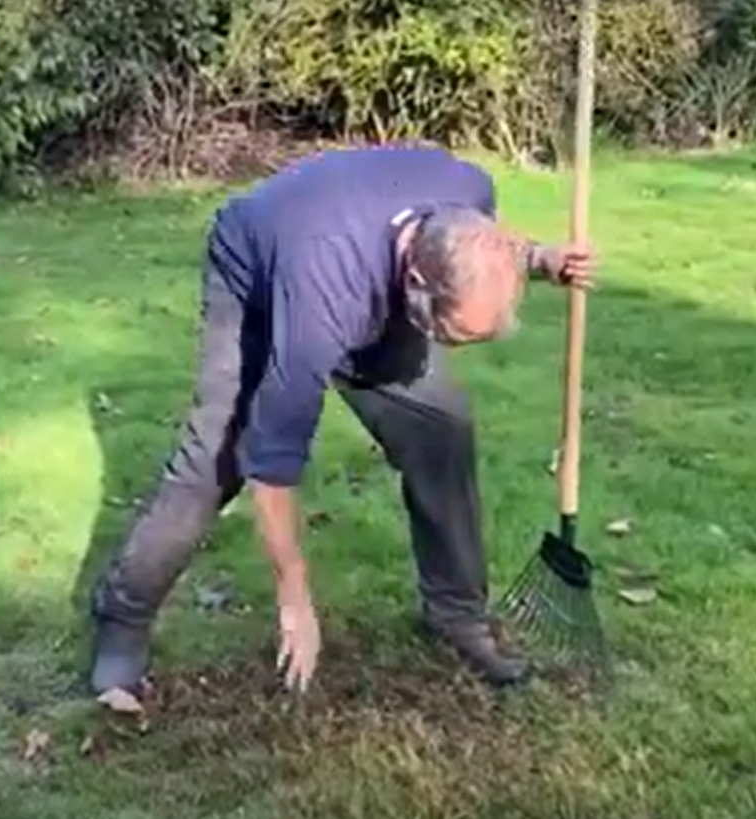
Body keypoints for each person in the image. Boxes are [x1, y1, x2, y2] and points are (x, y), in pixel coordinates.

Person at [87, 144, 593, 701]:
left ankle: (456, 615)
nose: (455, 350)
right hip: (255, 275)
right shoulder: (321, 289)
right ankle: (123, 616)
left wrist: (540, 258)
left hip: (364, 270)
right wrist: (294, 595)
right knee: (220, 456)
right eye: (452, 336)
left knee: (440, 428)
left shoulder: (470, 192)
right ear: (418, 283)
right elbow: (274, 457)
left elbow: (496, 245)